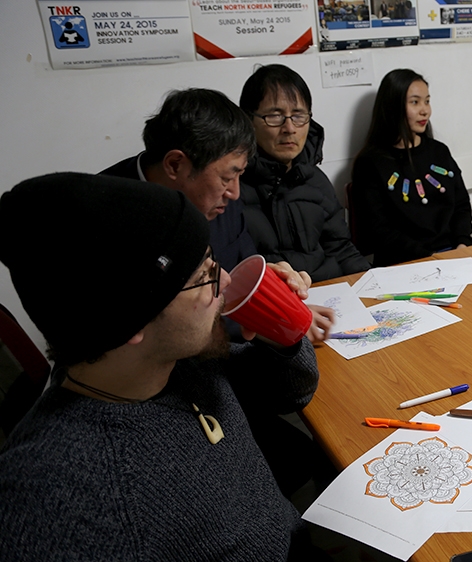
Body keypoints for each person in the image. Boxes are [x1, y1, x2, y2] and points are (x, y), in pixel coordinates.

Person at [0, 173, 325, 560]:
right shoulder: (54, 497)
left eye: (212, 261)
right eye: (203, 275)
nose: (223, 280)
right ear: (129, 322)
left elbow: (291, 390)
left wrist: (282, 334)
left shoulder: (179, 362)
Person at [102, 87, 337, 499]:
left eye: (241, 175)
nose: (234, 192)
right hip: (162, 393)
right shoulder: (111, 217)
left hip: (219, 368)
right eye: (228, 176)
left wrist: (274, 303)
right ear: (176, 164)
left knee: (314, 452)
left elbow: (239, 279)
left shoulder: (219, 205)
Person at [238, 64, 370, 283]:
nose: (289, 128)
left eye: (298, 116)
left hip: (331, 295)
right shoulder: (233, 187)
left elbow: (342, 250)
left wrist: (372, 286)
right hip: (276, 304)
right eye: (275, 115)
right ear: (249, 121)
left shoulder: (315, 180)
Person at [351, 68, 472, 266]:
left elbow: (461, 205)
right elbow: (379, 230)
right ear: (393, 106)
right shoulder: (370, 163)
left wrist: (462, 244)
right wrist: (431, 257)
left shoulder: (439, 152)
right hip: (403, 262)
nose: (425, 110)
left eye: (427, 101)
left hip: (451, 256)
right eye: (415, 102)